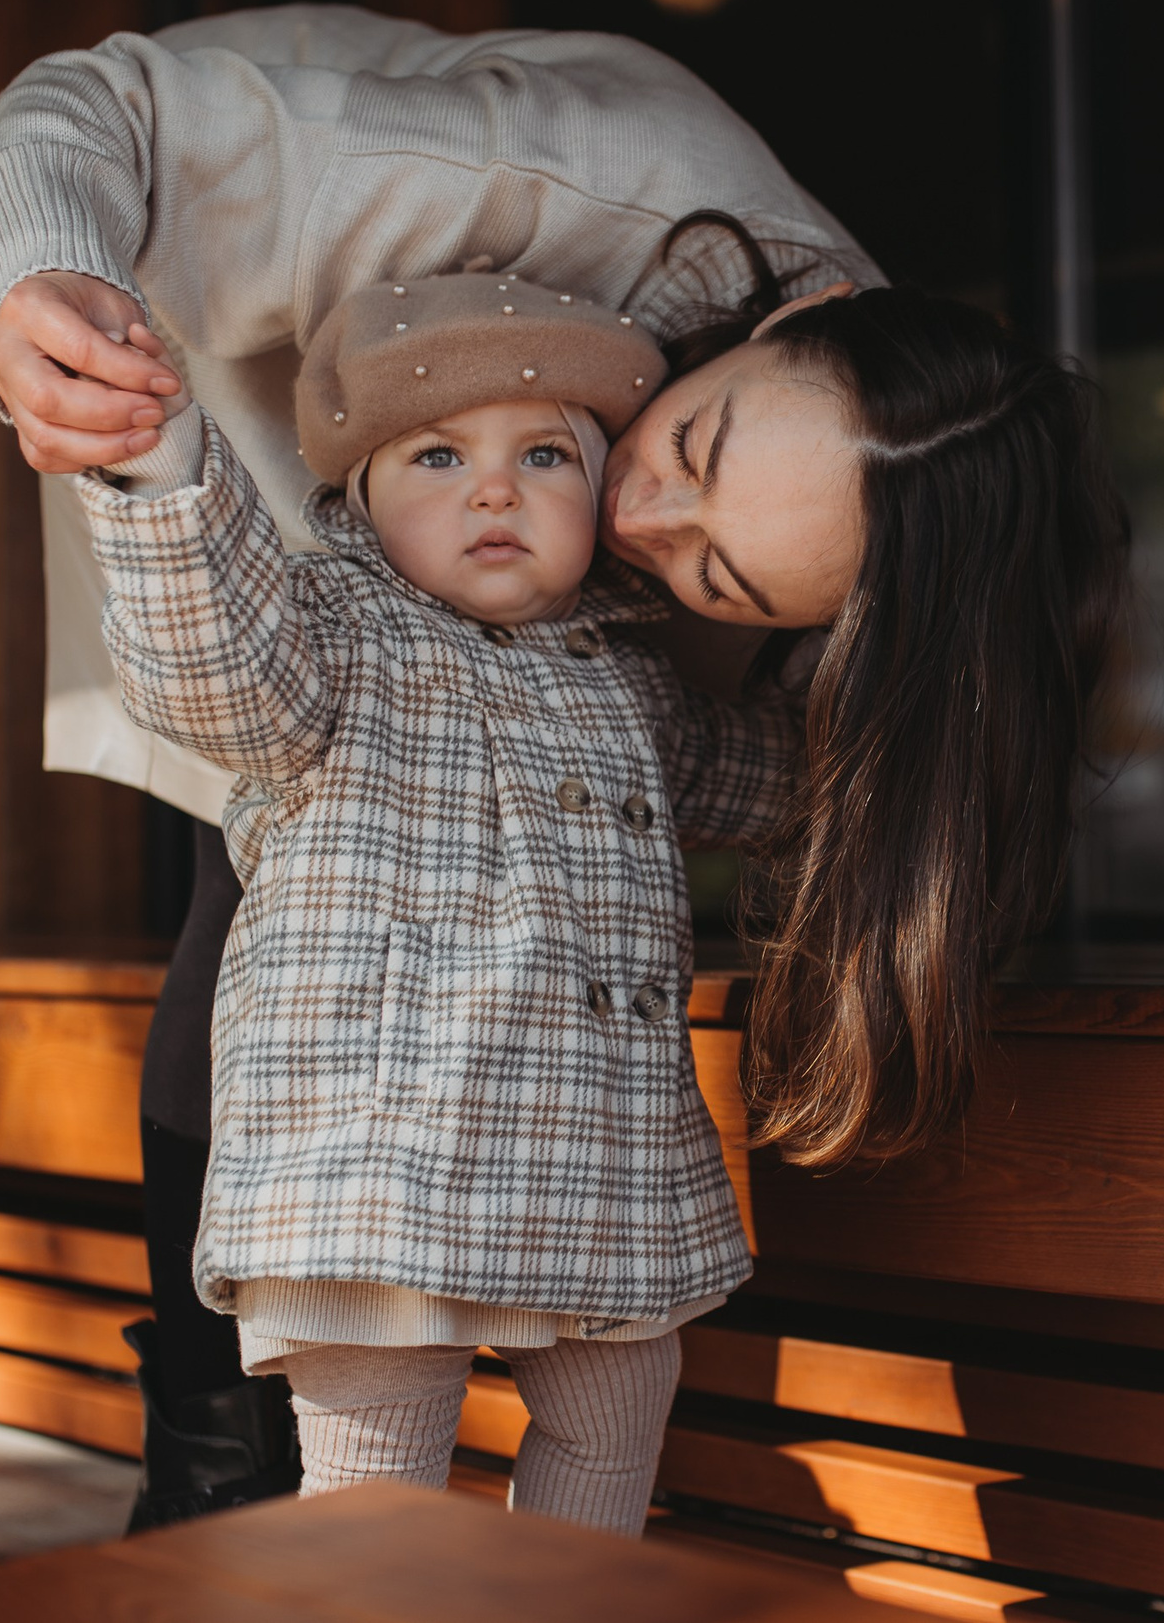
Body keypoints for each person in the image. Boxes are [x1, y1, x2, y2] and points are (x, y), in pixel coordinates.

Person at [0, 4, 1129, 1523]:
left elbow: (736, 756)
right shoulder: (547, 182)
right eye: (696, 452)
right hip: (217, 425)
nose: (656, 533)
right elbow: (91, 99)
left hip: (556, 969)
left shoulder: (779, 550)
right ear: (799, 317)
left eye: (721, 583)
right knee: (246, 860)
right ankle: (207, 1455)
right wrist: (58, 298)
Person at [76, 268, 787, 1531]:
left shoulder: (627, 681)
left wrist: (880, 688)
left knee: (618, 1413)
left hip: (601, 1168)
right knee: (375, 1492)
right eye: (440, 453)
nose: (496, 487)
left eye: (548, 455)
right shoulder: (330, 636)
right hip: (380, 1170)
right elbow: (209, 666)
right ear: (357, 497)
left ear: (606, 501)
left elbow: (763, 778)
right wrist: (168, 474)